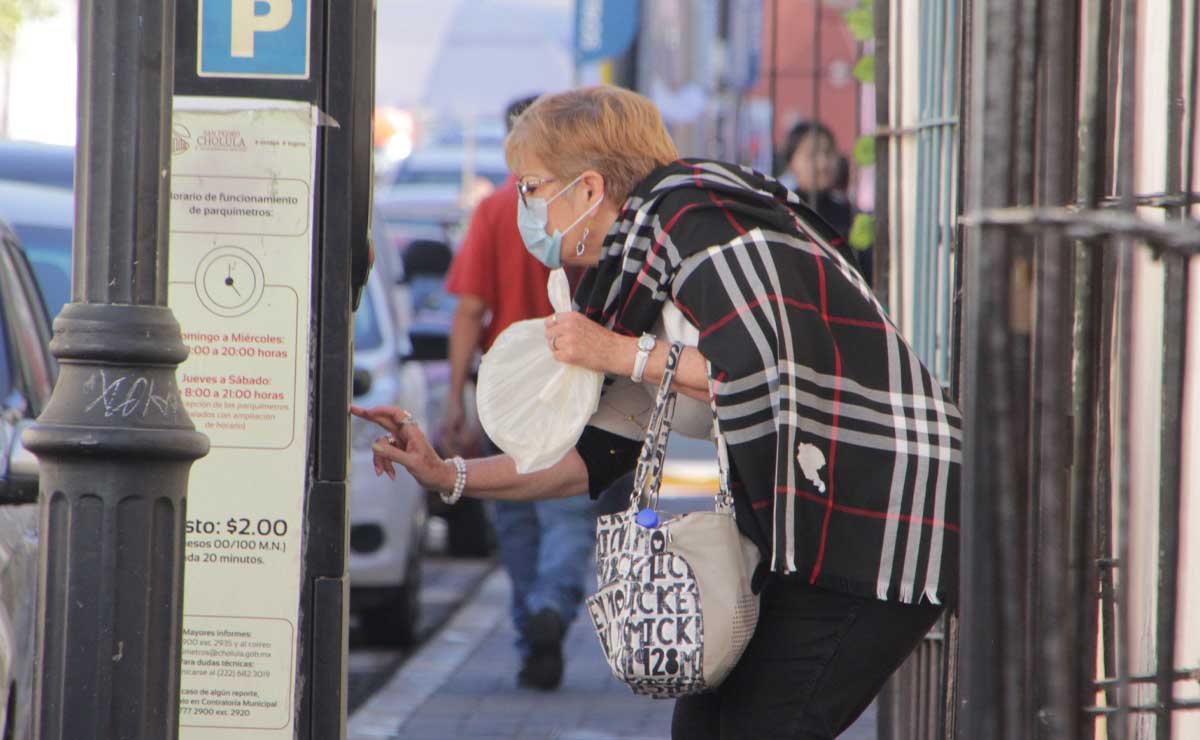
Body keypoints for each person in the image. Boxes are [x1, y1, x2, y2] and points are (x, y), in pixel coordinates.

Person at [353, 86, 962, 739]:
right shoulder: (645, 268)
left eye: (531, 187)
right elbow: (593, 455)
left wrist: (620, 351)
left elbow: (768, 375)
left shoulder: (704, 225)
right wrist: (451, 475)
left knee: (761, 726)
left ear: (587, 190)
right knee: (702, 726)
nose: (523, 208)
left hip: (883, 521)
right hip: (808, 526)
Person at [436, 94, 596, 692]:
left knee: (518, 522)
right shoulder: (584, 206)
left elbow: (469, 311)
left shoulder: (496, 211)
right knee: (567, 512)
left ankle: (534, 635)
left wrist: (456, 396)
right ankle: (551, 607)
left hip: (507, 395)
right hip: (574, 387)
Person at [777, 120, 872, 286]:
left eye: (828, 153)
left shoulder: (852, 214)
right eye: (811, 155)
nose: (823, 163)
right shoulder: (783, 212)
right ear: (791, 162)